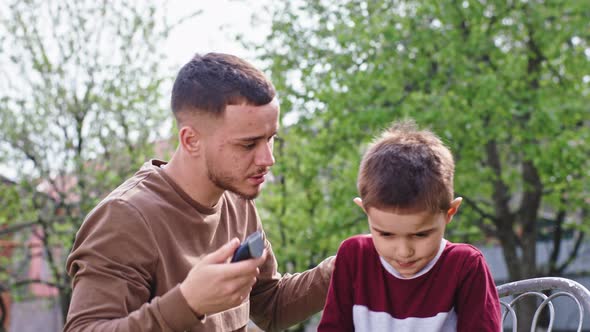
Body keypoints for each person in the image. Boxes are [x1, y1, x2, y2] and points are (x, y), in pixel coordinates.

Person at [64, 53, 334, 332]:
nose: (268, 159)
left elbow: (270, 305)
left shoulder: (237, 198)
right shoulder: (125, 218)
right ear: (191, 140)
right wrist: (188, 303)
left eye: (271, 138)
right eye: (248, 144)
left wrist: (347, 265)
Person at [318, 120, 501, 332]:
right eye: (386, 234)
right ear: (365, 211)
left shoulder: (465, 266)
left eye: (421, 235)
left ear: (450, 212)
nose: (404, 252)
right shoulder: (354, 257)